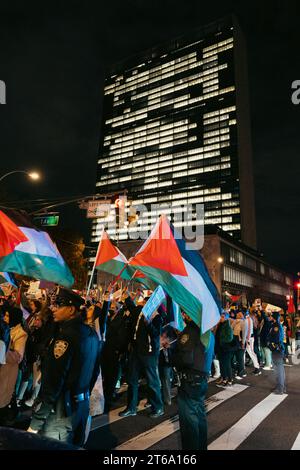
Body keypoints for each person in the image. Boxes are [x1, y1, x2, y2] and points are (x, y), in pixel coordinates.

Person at [27, 287, 99, 446]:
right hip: (81, 406)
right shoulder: (91, 333)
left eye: (58, 304)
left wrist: (36, 423)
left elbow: (53, 384)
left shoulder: (65, 337)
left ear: (72, 309)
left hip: (61, 413)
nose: (53, 308)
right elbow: (95, 371)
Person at [172, 313, 215, 450]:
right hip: (201, 379)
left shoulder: (192, 330)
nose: (184, 315)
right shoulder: (207, 331)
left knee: (189, 422)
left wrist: (172, 358)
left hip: (189, 380)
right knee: (199, 417)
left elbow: (186, 358)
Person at [119, 290, 164, 418]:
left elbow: (155, 335)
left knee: (152, 381)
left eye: (147, 303)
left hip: (149, 354)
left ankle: (158, 407)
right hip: (136, 351)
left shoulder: (157, 317)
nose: (144, 304)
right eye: (144, 302)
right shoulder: (139, 311)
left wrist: (148, 323)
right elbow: (132, 308)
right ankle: (131, 408)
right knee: (132, 379)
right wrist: (127, 297)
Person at [0, 307, 28, 425]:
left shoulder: (20, 333)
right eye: (4, 315)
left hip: (7, 371)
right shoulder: (3, 328)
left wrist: (3, 351)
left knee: (2, 397)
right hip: (2, 368)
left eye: (8, 315)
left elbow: (18, 357)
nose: (5, 318)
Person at [266, 312, 286, 394]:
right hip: (277, 350)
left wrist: (271, 345)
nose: (269, 317)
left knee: (279, 370)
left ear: (273, 317)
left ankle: (280, 388)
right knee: (279, 369)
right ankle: (280, 386)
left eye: (270, 316)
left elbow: (276, 339)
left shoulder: (276, 326)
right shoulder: (275, 325)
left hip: (277, 350)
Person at [244, 310, 261, 375]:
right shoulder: (249, 319)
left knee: (251, 353)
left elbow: (249, 331)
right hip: (249, 338)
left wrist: (247, 339)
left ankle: (257, 368)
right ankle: (242, 369)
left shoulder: (248, 319)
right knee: (249, 352)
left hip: (249, 338)